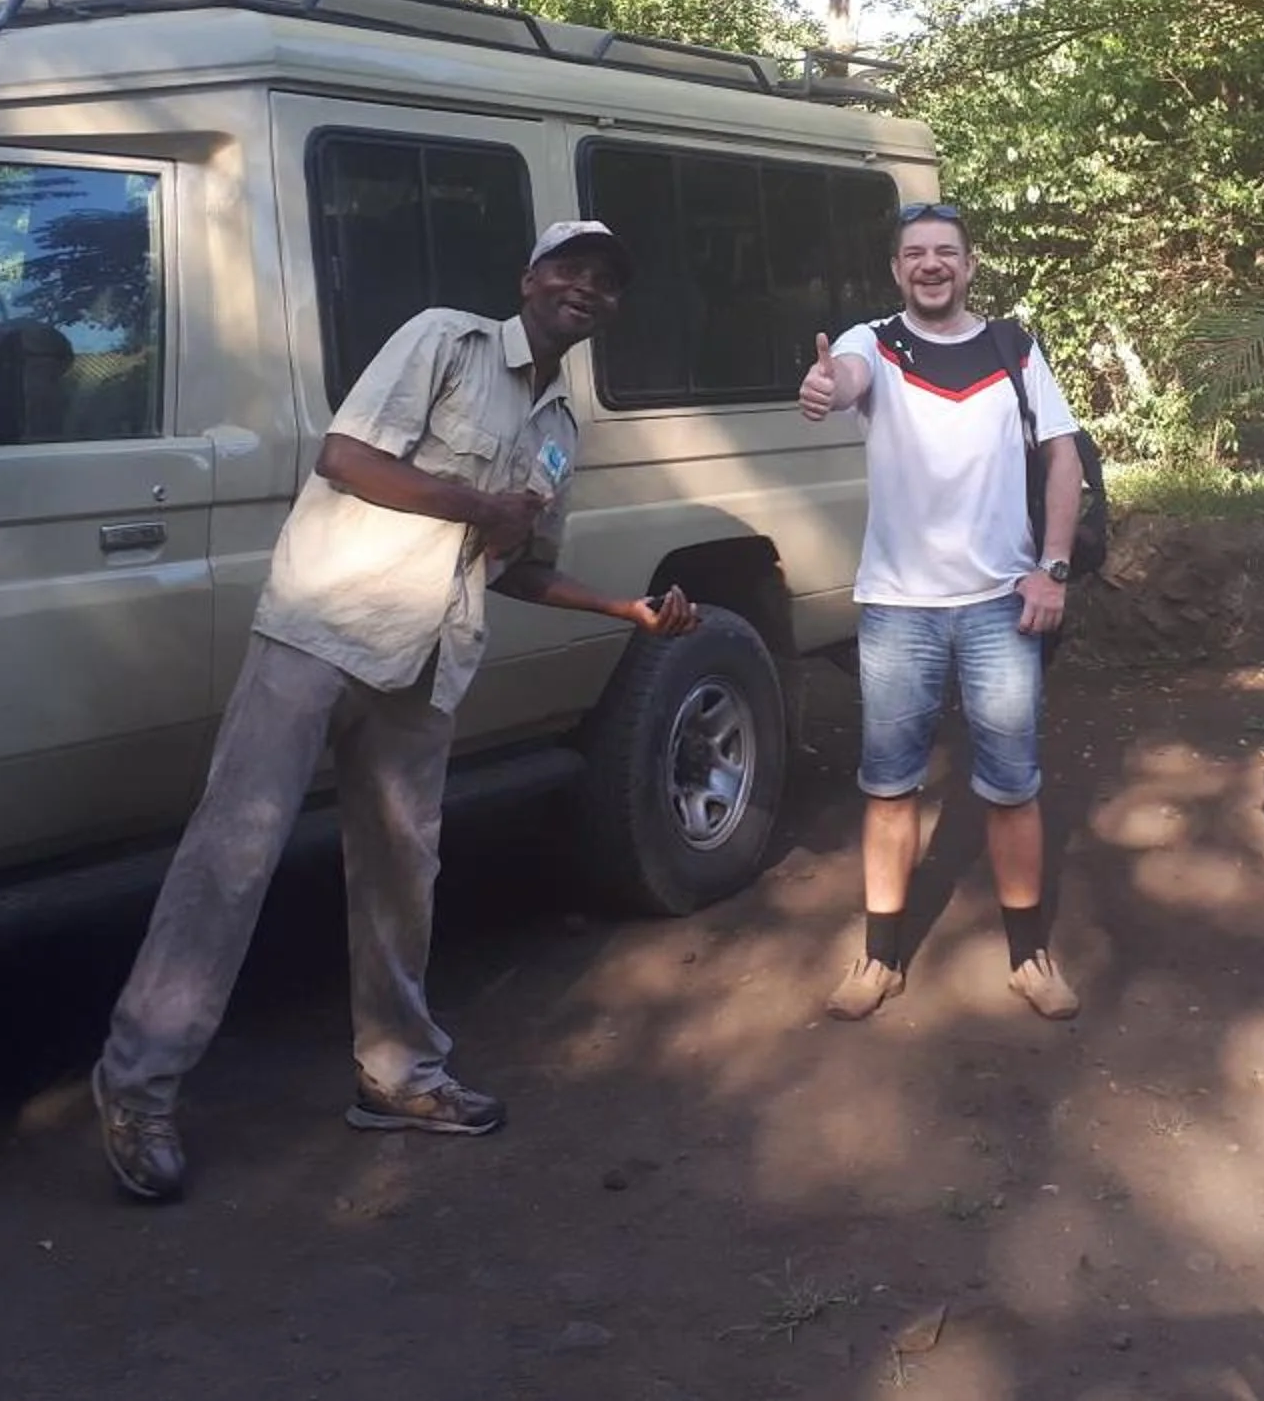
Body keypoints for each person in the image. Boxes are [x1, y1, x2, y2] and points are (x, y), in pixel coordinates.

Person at [92, 219, 696, 1201]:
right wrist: (476, 505)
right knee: (232, 858)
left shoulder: (559, 431)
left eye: (606, 283)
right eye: (569, 269)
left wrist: (622, 608)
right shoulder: (444, 341)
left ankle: (398, 1076)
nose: (585, 289)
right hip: (323, 629)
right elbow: (345, 458)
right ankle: (139, 1087)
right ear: (530, 277)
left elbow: (522, 567)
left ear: (611, 310)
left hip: (428, 661)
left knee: (401, 878)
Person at [798, 201, 1085, 1023]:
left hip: (1001, 604)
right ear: (897, 270)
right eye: (915, 253)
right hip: (898, 608)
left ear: (969, 265)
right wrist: (826, 385)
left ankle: (1030, 957)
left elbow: (1061, 455)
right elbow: (842, 379)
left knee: (1011, 788)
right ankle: (879, 958)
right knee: (889, 788)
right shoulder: (871, 344)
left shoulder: (1013, 347)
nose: (931, 264)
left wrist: (1052, 569)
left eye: (946, 253)